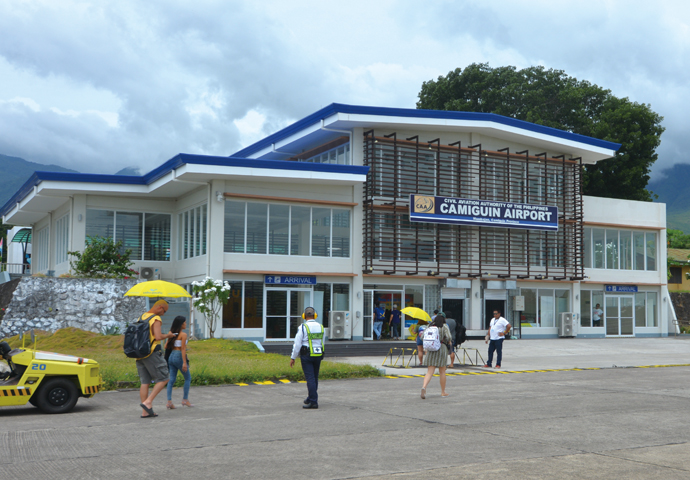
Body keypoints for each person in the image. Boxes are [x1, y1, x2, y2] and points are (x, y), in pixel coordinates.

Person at [136, 300, 176, 418]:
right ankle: (148, 402)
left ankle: (145, 411)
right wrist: (168, 335)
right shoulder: (156, 319)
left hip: (139, 353)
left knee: (145, 382)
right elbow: (158, 336)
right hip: (152, 353)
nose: (163, 314)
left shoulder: (142, 317)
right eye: (164, 311)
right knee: (164, 378)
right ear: (160, 307)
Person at [289, 307, 325, 409]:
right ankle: (310, 397)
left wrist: (293, 357)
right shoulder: (321, 327)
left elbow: (297, 344)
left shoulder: (303, 327)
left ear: (304, 316)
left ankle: (313, 401)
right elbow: (322, 342)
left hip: (307, 355)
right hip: (318, 354)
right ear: (315, 316)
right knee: (314, 377)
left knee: (310, 378)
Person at [421, 313, 452, 399]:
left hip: (431, 349)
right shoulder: (444, 326)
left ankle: (424, 387)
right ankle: (443, 392)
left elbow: (422, 336)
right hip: (441, 348)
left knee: (430, 372)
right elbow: (449, 337)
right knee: (442, 372)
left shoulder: (429, 326)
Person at [165, 316, 193, 409]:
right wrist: (184, 363)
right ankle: (185, 399)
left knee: (171, 379)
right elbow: (183, 349)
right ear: (181, 324)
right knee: (188, 378)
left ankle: (169, 401)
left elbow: (166, 346)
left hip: (171, 356)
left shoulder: (171, 333)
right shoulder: (183, 335)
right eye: (184, 322)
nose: (186, 324)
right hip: (179, 356)